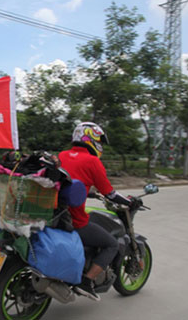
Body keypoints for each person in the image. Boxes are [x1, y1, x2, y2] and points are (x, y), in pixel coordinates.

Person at [58, 122, 136, 301]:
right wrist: (129, 203)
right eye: (99, 140)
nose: (100, 145)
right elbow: (111, 193)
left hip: (57, 214)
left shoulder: (62, 155)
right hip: (75, 220)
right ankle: (87, 281)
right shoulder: (93, 161)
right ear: (90, 138)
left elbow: (68, 181)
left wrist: (88, 191)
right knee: (112, 244)